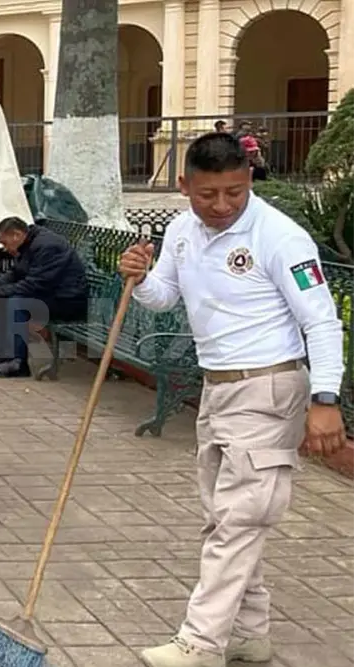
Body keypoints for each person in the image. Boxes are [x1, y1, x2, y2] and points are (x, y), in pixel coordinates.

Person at [119, 132, 346, 667]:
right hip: (217, 388)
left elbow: (322, 320)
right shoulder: (180, 231)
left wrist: (326, 398)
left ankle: (200, 641)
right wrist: (138, 276)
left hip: (270, 386)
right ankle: (250, 632)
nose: (222, 206)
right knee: (222, 518)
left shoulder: (280, 236)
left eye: (235, 192)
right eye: (208, 195)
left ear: (248, 182)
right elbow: (162, 298)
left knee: (240, 520)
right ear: (184, 187)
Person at [0, 216, 88, 378]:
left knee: (16, 303)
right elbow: (15, 274)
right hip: (49, 295)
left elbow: (35, 285)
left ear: (17, 235)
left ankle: (18, 363)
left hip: (67, 300)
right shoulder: (29, 244)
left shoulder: (47, 246)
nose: (4, 248)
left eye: (4, 243)